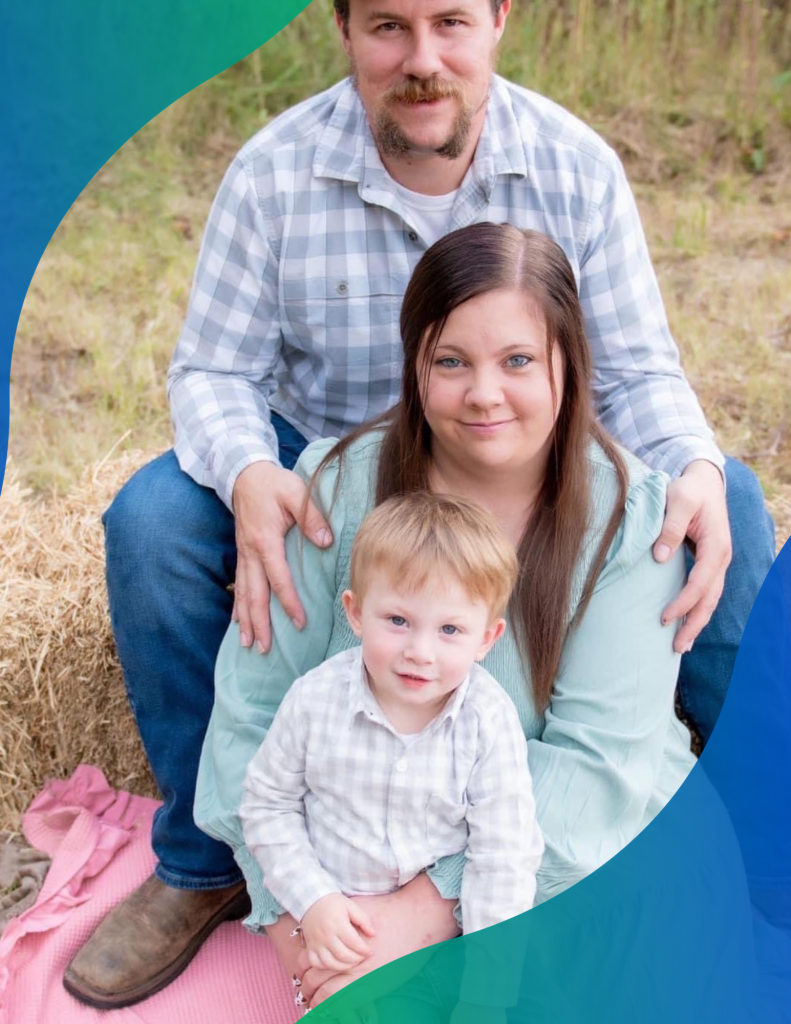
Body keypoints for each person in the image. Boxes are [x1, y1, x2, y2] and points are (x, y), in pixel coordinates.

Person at [63, 0, 775, 1008]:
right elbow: (213, 369)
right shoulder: (274, 171)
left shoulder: (572, 166)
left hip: (538, 460)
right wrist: (254, 477)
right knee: (150, 522)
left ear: (498, 21)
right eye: (388, 27)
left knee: (723, 505)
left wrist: (689, 468)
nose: (422, 58)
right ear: (343, 31)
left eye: (449, 22)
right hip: (341, 462)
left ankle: (730, 812)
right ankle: (204, 855)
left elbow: (637, 369)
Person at [195, 223, 701, 1017]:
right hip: (346, 879)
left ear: (569, 363)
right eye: (450, 361)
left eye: (519, 361)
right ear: (414, 367)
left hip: (556, 867)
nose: (484, 394)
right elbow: (250, 718)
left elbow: (595, 772)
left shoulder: (631, 522)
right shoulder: (337, 490)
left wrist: (420, 916)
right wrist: (300, 919)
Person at [240, 492, 543, 1014]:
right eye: (398, 621)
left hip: (441, 932)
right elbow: (266, 805)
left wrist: (485, 994)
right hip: (330, 913)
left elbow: (503, 857)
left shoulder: (488, 722)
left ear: (486, 639)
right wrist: (313, 900)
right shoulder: (316, 700)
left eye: (450, 630)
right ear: (355, 613)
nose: (420, 652)